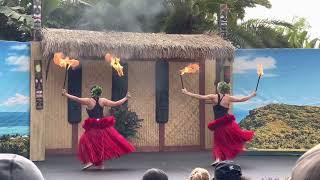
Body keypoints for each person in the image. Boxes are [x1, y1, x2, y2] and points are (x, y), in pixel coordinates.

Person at [62, 85, 135, 170]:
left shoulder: (89, 101)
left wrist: (66, 94)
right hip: (102, 126)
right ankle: (99, 164)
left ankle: (93, 161)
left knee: (86, 142)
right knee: (100, 144)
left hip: (94, 126)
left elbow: (76, 99)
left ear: (92, 93)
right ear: (99, 93)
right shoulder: (102, 100)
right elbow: (115, 103)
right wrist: (126, 98)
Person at [182, 82, 256, 164]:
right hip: (227, 123)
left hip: (219, 124)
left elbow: (200, 97)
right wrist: (252, 95)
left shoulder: (213, 97)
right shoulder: (228, 98)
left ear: (219, 88)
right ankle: (221, 159)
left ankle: (218, 159)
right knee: (225, 141)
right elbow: (241, 99)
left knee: (218, 142)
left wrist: (187, 92)